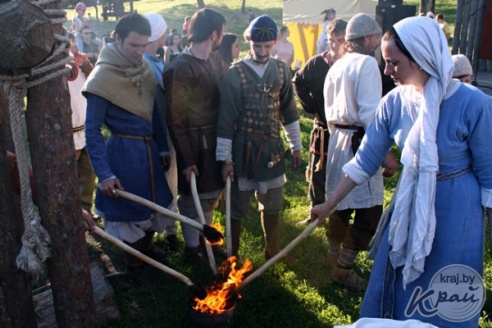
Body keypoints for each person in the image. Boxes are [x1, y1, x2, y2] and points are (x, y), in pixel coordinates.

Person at [312, 16, 492, 327]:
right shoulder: (394, 103)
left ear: (421, 57)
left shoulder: (473, 103)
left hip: (458, 209)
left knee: (447, 281)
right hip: (410, 204)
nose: (386, 70)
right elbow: (365, 160)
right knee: (401, 283)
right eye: (385, 61)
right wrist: (329, 204)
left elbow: (489, 173)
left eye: (393, 63)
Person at [83, 13, 173, 282]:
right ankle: (135, 266)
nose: (139, 51)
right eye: (133, 45)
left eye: (144, 45)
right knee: (127, 214)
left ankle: (146, 251)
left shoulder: (144, 68)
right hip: (123, 154)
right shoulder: (102, 77)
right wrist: (105, 173)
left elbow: (154, 111)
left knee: (151, 207)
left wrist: (163, 148)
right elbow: (92, 131)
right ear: (117, 38)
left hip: (149, 153)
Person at [216, 15, 303, 261]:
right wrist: (226, 160)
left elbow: (289, 110)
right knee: (238, 208)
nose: (263, 52)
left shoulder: (282, 70)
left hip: (273, 149)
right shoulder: (235, 74)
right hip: (243, 150)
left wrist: (296, 146)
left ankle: (272, 250)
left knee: (273, 203)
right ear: (249, 42)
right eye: (257, 46)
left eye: (267, 46)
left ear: (274, 43)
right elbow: (226, 120)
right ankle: (233, 256)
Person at [322, 13, 397, 290]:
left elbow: (330, 113)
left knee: (340, 204)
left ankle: (332, 256)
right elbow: (370, 114)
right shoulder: (366, 64)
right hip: (359, 141)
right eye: (376, 37)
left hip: (338, 139)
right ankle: (343, 268)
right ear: (367, 38)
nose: (378, 42)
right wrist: (384, 152)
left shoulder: (337, 66)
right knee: (369, 212)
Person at [163, 8, 227, 262]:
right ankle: (193, 248)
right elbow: (175, 119)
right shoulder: (180, 67)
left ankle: (205, 240)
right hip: (193, 143)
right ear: (214, 34)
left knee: (210, 197)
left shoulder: (214, 60)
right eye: (222, 32)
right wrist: (187, 160)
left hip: (214, 140)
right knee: (192, 199)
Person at [292, 18, 347, 255]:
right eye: (332, 41)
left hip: (346, 132)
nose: (335, 46)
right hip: (323, 129)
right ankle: (316, 210)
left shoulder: (353, 65)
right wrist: (313, 107)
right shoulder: (317, 63)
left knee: (343, 175)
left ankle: (339, 216)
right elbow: (298, 81)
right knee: (317, 172)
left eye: (340, 41)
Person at [142, 13, 181, 252]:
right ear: (159, 35)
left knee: (171, 180)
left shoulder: (156, 60)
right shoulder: (146, 64)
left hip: (167, 128)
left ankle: (170, 229)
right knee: (163, 181)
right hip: (158, 132)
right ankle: (160, 230)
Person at [67, 33, 96, 214]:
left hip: (86, 132)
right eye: (69, 46)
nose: (73, 49)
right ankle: (72, 212)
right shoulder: (57, 71)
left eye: (73, 45)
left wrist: (85, 65)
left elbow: (96, 81)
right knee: (69, 177)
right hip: (68, 136)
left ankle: (86, 210)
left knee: (89, 175)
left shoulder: (81, 67)